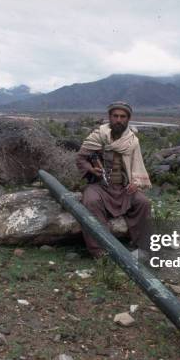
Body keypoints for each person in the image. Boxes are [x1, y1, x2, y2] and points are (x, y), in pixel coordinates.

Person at [76, 101, 153, 259]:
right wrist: (91, 169)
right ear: (109, 117)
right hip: (99, 186)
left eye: (122, 117)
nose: (119, 120)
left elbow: (136, 165)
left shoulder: (132, 140)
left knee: (143, 202)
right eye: (115, 116)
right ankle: (101, 250)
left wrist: (135, 183)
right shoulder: (98, 136)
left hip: (123, 187)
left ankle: (142, 247)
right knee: (91, 201)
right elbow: (81, 158)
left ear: (128, 118)